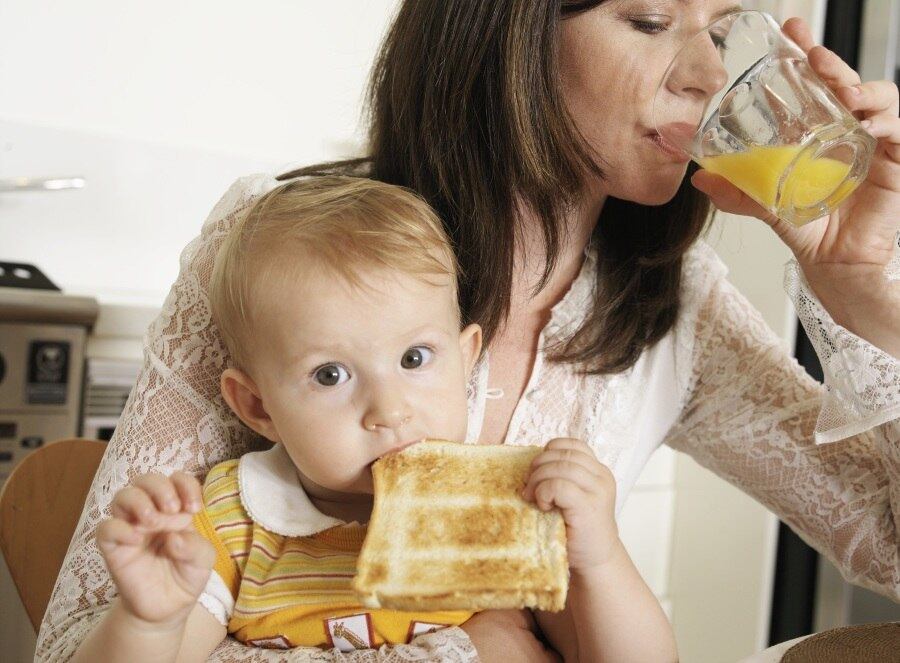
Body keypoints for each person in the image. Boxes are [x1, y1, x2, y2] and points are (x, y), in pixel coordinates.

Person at [39, 2, 899, 662]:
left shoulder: (673, 302)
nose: (711, 77)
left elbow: (888, 544)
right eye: (647, 20)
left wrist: (863, 291)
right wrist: (467, 648)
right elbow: (78, 635)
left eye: (721, 29)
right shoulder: (282, 252)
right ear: (507, 29)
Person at [69, 176, 676, 663]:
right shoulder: (235, 522)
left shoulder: (508, 512)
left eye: (415, 359)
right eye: (330, 375)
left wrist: (600, 558)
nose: (389, 411)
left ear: (466, 362)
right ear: (257, 407)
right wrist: (150, 618)